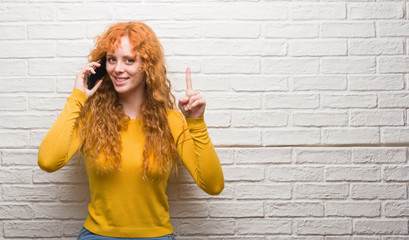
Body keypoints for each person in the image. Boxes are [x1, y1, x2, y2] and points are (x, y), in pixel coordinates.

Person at [37, 21, 224, 240]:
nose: (118, 69)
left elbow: (213, 185)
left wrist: (196, 122)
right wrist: (78, 97)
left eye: (129, 60)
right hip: (97, 235)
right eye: (111, 59)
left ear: (147, 65)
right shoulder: (91, 118)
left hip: (156, 236)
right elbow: (48, 161)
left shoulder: (172, 121)